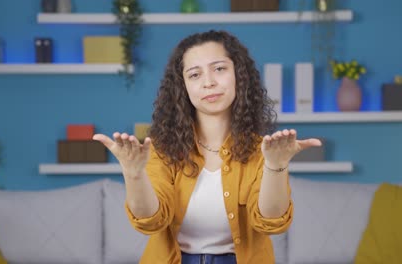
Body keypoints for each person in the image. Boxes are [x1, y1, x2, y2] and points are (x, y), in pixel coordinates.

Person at [93, 30, 322, 264]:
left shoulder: (262, 150)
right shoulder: (162, 150)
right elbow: (150, 222)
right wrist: (134, 173)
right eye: (194, 74)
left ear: (239, 76)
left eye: (219, 69)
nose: (209, 82)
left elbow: (271, 222)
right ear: (183, 87)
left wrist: (276, 165)